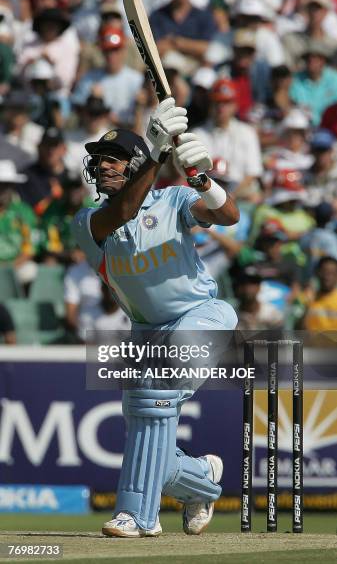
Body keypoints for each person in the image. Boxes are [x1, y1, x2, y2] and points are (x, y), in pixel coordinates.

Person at [71, 97, 239, 537]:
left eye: (116, 159)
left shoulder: (171, 201)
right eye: (100, 160)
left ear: (134, 166)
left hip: (201, 314)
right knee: (152, 436)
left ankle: (136, 516)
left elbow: (228, 215)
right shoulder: (88, 220)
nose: (105, 166)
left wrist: (202, 177)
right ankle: (200, 479)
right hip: (146, 331)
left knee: (154, 388)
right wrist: (155, 148)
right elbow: (124, 211)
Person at [304, 256, 337, 329]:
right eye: (324, 272)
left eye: (332, 273)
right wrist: (307, 306)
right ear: (317, 273)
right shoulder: (307, 298)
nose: (327, 277)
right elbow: (298, 330)